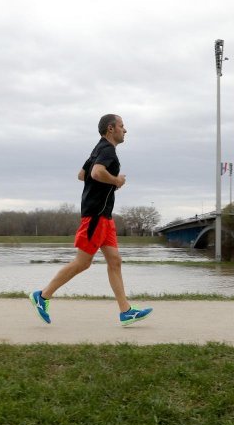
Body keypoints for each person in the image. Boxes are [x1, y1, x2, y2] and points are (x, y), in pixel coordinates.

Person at [29, 114, 153, 326]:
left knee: (115, 261)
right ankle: (43, 296)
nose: (126, 130)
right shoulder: (107, 150)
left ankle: (126, 312)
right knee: (82, 263)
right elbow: (96, 173)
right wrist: (116, 181)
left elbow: (81, 174)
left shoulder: (97, 149)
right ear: (111, 128)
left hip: (104, 216)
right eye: (122, 126)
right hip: (95, 216)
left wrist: (102, 184)